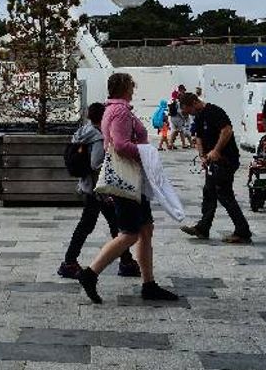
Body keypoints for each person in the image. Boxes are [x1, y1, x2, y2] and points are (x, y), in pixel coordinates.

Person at [78, 72, 179, 305]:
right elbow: (121, 145)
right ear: (124, 88)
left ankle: (149, 283)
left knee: (145, 230)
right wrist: (146, 152)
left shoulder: (111, 110)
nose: (134, 90)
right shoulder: (120, 111)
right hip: (128, 180)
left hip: (131, 181)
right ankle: (90, 273)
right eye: (132, 86)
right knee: (130, 233)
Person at [58, 102, 141, 279]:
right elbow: (96, 164)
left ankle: (125, 262)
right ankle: (70, 262)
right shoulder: (97, 136)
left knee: (107, 224)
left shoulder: (83, 131)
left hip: (89, 187)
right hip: (98, 191)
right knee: (105, 225)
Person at [179, 91, 251, 243]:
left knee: (224, 194)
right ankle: (203, 228)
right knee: (209, 192)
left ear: (194, 103)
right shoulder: (198, 117)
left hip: (226, 160)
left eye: (188, 109)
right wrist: (203, 156)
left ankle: (243, 231)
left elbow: (227, 131)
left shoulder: (215, 111)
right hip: (212, 162)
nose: (189, 114)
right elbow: (198, 137)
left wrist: (217, 150)